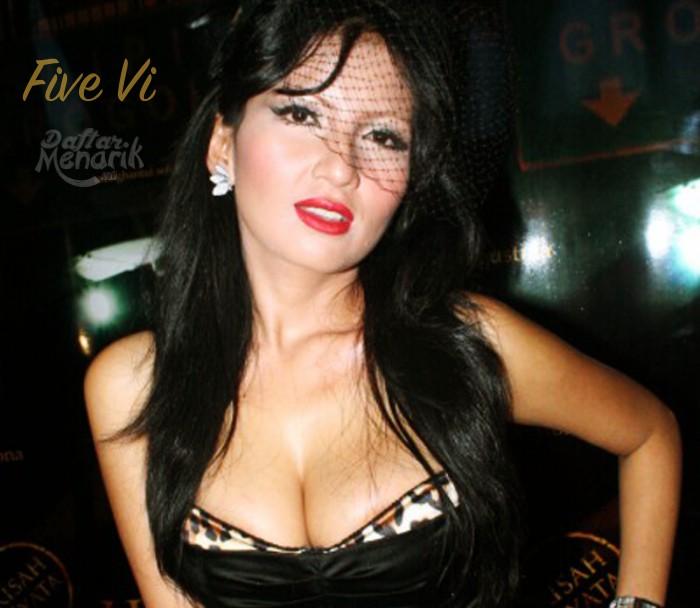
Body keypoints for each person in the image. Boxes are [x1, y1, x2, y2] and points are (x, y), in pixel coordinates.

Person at [83, 1, 682, 607]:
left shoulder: (469, 345)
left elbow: (649, 435)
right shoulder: (133, 386)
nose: (341, 166)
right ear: (222, 144)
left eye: (382, 136)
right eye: (302, 113)